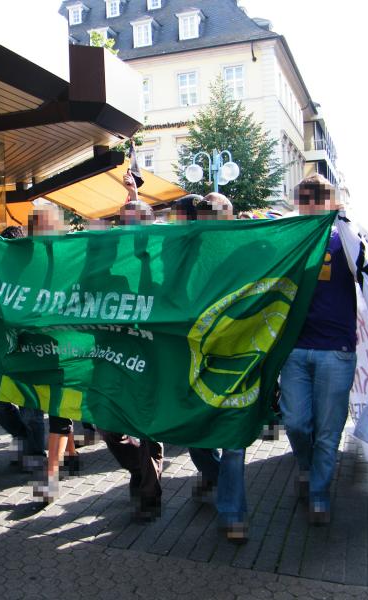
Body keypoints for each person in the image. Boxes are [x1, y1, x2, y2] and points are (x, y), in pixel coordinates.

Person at [279, 173, 358, 525]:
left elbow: (365, 268)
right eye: (303, 199)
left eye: (316, 198)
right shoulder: (289, 240)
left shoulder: (347, 239)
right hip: (296, 348)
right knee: (296, 424)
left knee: (328, 430)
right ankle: (308, 469)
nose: (308, 205)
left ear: (329, 201)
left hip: (336, 350)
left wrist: (343, 219)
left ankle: (319, 493)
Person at [173, 191, 249, 543]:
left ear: (231, 215)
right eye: (208, 213)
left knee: (233, 439)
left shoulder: (250, 249)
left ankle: (232, 513)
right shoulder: (188, 253)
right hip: (197, 358)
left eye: (220, 213)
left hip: (240, 358)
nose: (214, 219)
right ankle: (216, 477)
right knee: (196, 435)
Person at [96, 170, 164, 522]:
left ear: (150, 223)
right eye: (125, 220)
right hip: (112, 355)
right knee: (108, 425)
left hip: (151, 356)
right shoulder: (112, 255)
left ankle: (149, 495)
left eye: (137, 219)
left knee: (148, 428)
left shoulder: (166, 255)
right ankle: (138, 470)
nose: (130, 225)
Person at [29, 202, 80, 503]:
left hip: (69, 345)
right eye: (38, 224)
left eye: (48, 223)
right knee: (52, 403)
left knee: (59, 408)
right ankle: (71, 453)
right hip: (37, 344)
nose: (43, 229)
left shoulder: (74, 252)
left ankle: (50, 477)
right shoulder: (24, 255)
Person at [0, 225, 47, 472]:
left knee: (31, 408)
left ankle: (35, 452)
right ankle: (22, 437)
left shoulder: (37, 272)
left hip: (32, 350)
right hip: (3, 350)